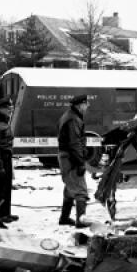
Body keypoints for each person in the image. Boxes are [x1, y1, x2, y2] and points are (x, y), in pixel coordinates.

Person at [57, 94, 91, 227]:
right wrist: (80, 162)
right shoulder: (73, 119)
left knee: (70, 188)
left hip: (67, 157)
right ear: (80, 105)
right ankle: (80, 221)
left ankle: (64, 218)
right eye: (86, 104)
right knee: (80, 190)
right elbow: (74, 143)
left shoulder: (69, 116)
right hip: (71, 158)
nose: (87, 106)